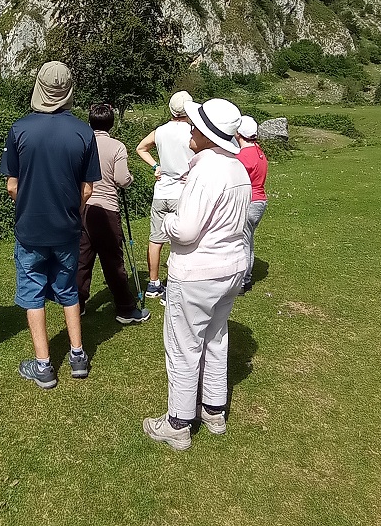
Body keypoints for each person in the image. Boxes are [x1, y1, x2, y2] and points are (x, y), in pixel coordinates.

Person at [143, 98, 251, 450]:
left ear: (207, 135)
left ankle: (177, 423)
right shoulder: (236, 168)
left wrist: (168, 221)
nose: (190, 129)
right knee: (216, 337)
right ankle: (214, 410)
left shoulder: (207, 171)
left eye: (195, 126)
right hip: (231, 267)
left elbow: (187, 231)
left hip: (198, 272)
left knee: (183, 344)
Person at [0, 61, 101, 390]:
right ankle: (77, 356)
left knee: (33, 293)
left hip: (30, 228)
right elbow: (87, 188)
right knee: (68, 289)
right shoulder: (85, 132)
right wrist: (72, 209)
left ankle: (43, 366)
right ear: (69, 91)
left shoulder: (19, 129)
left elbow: (12, 186)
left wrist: (29, 205)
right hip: (68, 227)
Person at [77, 104, 150, 325]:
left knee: (82, 258)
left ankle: (76, 304)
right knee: (113, 261)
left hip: (82, 207)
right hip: (106, 209)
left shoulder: (82, 143)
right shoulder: (117, 146)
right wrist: (130, 180)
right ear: (111, 123)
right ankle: (126, 309)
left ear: (90, 122)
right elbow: (121, 179)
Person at [135, 91, 193, 301]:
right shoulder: (193, 132)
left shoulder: (160, 131)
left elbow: (141, 148)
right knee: (181, 241)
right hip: (183, 192)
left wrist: (156, 166)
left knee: (156, 239)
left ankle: (153, 283)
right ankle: (174, 285)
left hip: (161, 192)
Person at [235, 116, 268, 295]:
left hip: (249, 201)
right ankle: (246, 278)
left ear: (238, 133)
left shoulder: (242, 157)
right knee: (248, 240)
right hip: (260, 200)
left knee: (242, 242)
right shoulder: (258, 151)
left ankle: (241, 281)